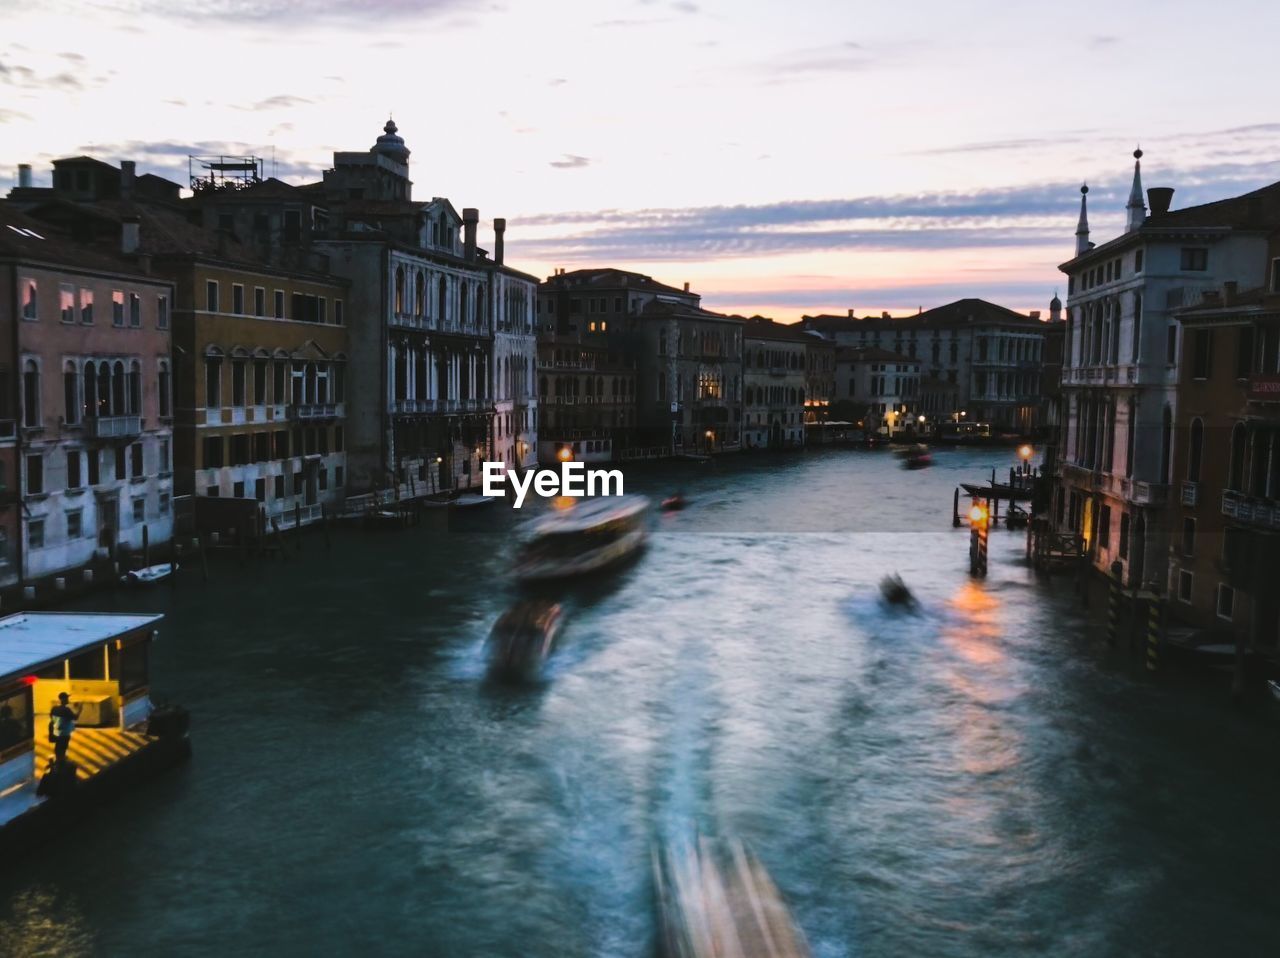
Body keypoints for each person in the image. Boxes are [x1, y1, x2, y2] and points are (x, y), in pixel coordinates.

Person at [48, 692, 82, 764]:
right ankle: (61, 761)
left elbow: (51, 717)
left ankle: (58, 759)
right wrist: (80, 709)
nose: (68, 699)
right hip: (64, 733)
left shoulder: (54, 708)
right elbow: (75, 718)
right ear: (63, 699)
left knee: (58, 747)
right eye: (67, 698)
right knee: (63, 748)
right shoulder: (66, 710)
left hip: (56, 732)